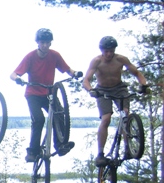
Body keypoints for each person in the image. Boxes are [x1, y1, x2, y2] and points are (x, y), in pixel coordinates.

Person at [10, 28, 81, 162]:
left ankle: (60, 145)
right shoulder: (31, 57)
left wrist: (75, 73)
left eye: (47, 42)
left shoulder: (54, 55)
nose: (45, 45)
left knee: (59, 114)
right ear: (37, 42)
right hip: (33, 94)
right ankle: (33, 151)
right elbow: (13, 74)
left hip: (49, 93)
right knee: (39, 119)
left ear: (50, 43)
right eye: (42, 42)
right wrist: (18, 79)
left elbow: (67, 69)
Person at [82, 36, 148, 166]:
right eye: (106, 51)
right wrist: (91, 90)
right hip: (102, 91)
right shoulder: (96, 61)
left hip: (119, 89)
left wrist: (144, 85)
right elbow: (86, 80)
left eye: (111, 51)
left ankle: (128, 148)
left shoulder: (121, 59)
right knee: (106, 119)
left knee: (125, 115)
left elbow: (137, 73)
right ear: (101, 50)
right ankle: (100, 153)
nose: (109, 54)